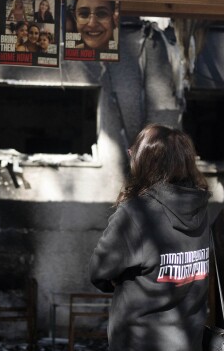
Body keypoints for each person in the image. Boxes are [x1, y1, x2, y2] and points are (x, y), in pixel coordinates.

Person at [89, 124, 211, 351]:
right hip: (189, 342)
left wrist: (121, 277)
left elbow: (98, 272)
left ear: (147, 162)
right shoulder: (200, 208)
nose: (130, 156)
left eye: (134, 152)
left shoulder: (136, 214)